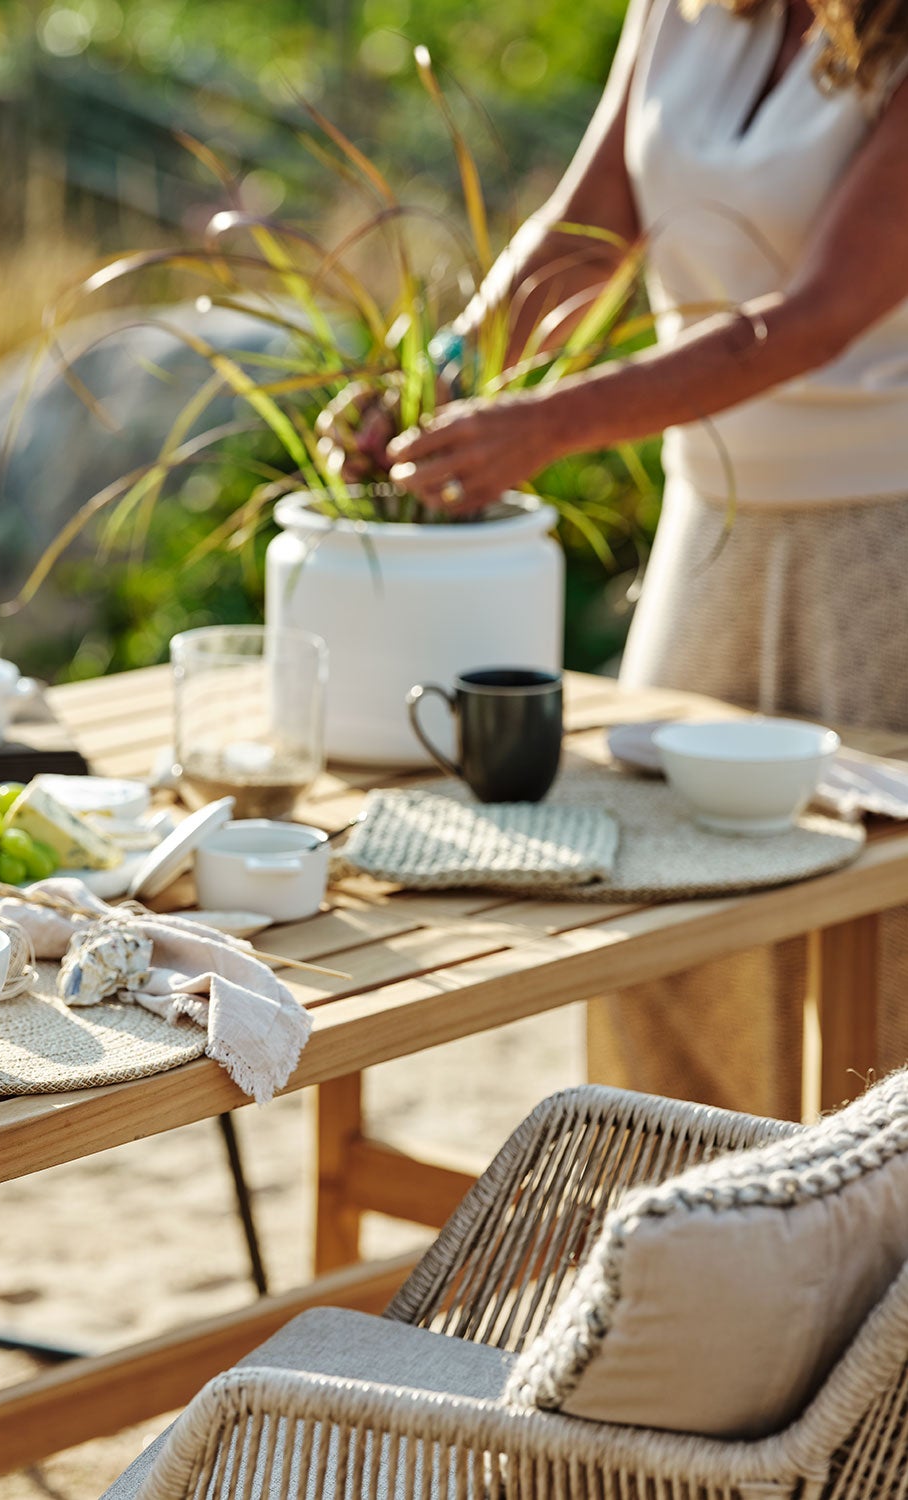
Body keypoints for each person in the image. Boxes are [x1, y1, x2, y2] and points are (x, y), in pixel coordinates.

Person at [388, 0, 908, 1118]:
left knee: (887, 940)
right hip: (710, 538)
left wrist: (548, 424)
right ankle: (684, 1228)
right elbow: (583, 237)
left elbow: (818, 315)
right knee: (665, 925)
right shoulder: (681, 9)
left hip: (883, 546)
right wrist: (434, 387)